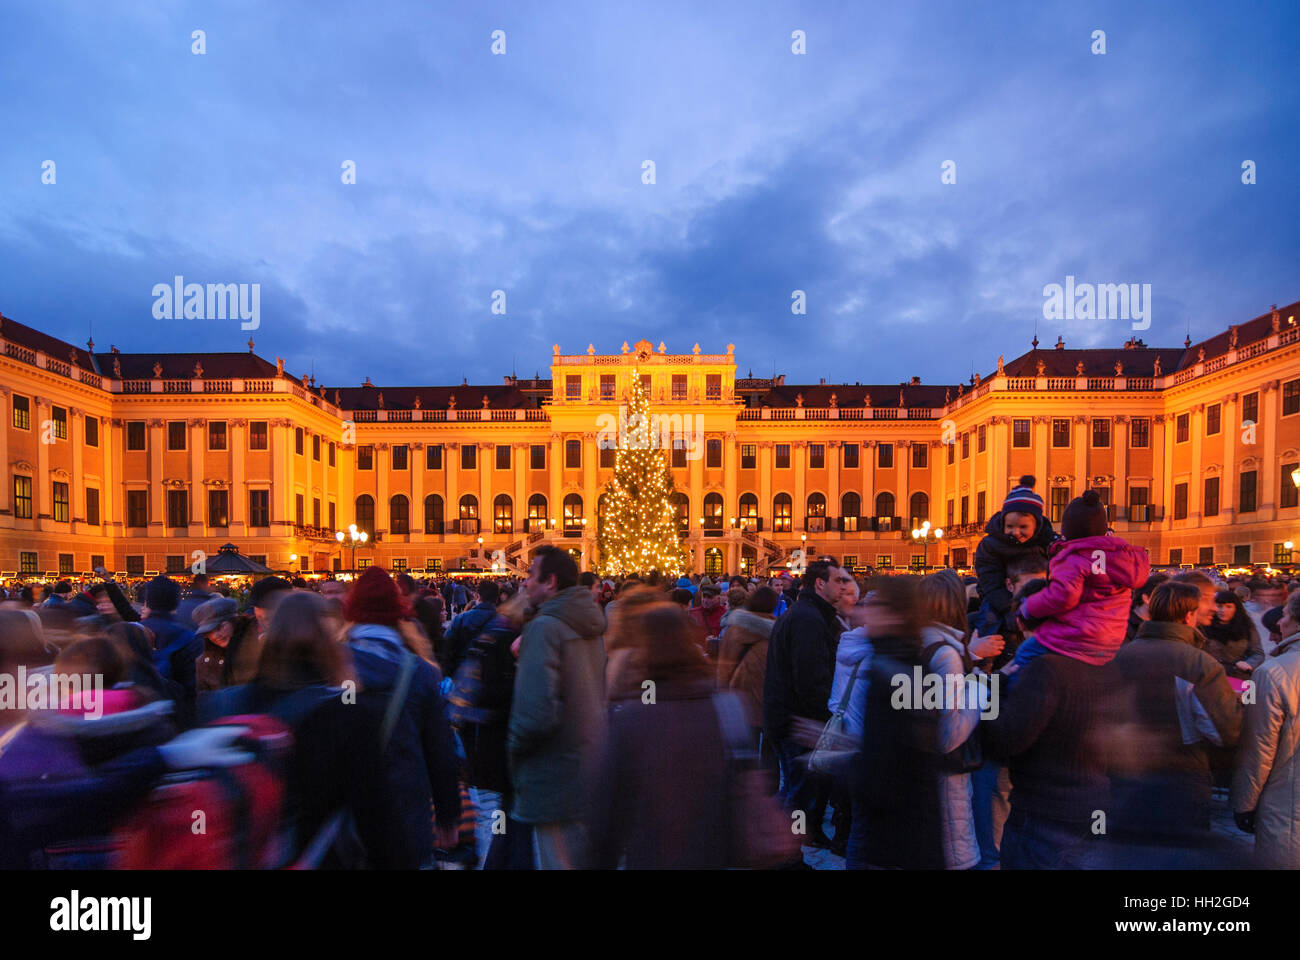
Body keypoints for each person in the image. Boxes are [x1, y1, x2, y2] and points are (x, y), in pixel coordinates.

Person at [981, 582, 1121, 869]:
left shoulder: (1044, 668)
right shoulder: (1102, 659)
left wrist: (994, 688)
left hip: (1046, 813)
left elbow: (1003, 739)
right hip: (1094, 802)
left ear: (1021, 620)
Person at [588, 603, 733, 868]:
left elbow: (607, 813)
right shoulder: (726, 707)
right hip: (708, 853)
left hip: (651, 854)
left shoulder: (633, 716)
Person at [1108, 581, 1243, 866]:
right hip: (1181, 778)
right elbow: (1222, 732)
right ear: (1187, 616)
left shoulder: (1122, 654)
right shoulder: (1199, 663)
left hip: (1125, 775)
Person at [341, 567, 462, 867]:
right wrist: (447, 814)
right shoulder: (419, 671)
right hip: (405, 807)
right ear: (398, 611)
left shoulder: (332, 666)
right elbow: (439, 749)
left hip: (345, 814)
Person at [508, 546, 607, 869]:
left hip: (553, 774)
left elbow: (535, 714)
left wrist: (514, 751)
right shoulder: (588, 624)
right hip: (589, 766)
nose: (524, 584)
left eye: (530, 576)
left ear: (550, 582)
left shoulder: (544, 627)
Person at [763, 558, 853, 851]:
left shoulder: (808, 614)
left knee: (798, 790)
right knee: (798, 795)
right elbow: (810, 678)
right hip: (797, 722)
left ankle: (800, 837)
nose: (843, 586)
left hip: (790, 717)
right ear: (819, 584)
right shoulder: (808, 619)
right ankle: (786, 851)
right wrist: (819, 722)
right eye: (838, 580)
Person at [1016, 490, 1150, 667]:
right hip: (1112, 641)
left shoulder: (1074, 558)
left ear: (1068, 531)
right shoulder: (1120, 558)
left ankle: (1007, 691)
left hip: (1079, 638)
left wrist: (1028, 607)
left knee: (1025, 653)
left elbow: (1063, 596)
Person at [1233, 588, 1300, 867]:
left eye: (1284, 614)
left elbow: (1259, 749)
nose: (1280, 622)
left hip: (1288, 808)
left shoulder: (1275, 673)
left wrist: (1243, 805)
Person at [973, 476, 1057, 636]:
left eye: (1023, 526)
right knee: (988, 619)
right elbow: (989, 579)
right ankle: (983, 656)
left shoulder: (1047, 542)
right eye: (1010, 526)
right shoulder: (991, 544)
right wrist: (1009, 606)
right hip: (998, 594)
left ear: (1037, 525)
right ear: (1003, 523)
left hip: (1037, 594)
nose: (1016, 532)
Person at [140, 576, 202, 724]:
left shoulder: (133, 632)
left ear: (147, 602)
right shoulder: (189, 637)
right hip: (174, 716)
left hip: (139, 715)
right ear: (176, 604)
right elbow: (192, 687)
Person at [716, 586, 779, 728]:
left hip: (738, 702)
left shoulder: (735, 630)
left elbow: (724, 667)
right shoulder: (778, 633)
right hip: (767, 704)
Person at [1203, 589, 1265, 681]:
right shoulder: (1205, 626)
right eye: (1219, 606)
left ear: (1236, 608)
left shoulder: (1246, 626)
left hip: (1238, 677)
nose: (1223, 610)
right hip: (1211, 677)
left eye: (1228, 607)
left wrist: (1249, 664)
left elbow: (1258, 653)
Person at [192, 596, 239, 693]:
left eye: (219, 628)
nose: (215, 636)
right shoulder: (204, 662)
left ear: (234, 622)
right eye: (208, 632)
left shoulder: (253, 648)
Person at [1126, 572, 1171, 642]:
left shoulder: (1165, 626)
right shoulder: (1122, 628)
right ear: (1146, 598)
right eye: (1165, 599)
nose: (1172, 605)